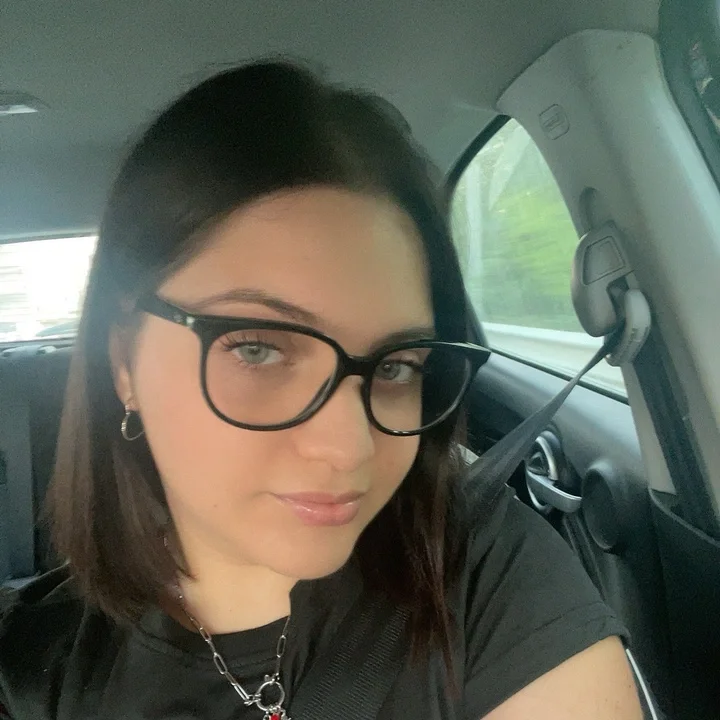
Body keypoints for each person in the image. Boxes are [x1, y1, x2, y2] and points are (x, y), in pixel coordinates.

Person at [0, 61, 642, 719]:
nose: (348, 448)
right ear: (123, 362)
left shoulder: (483, 569)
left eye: (396, 366)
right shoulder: (31, 673)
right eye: (257, 348)